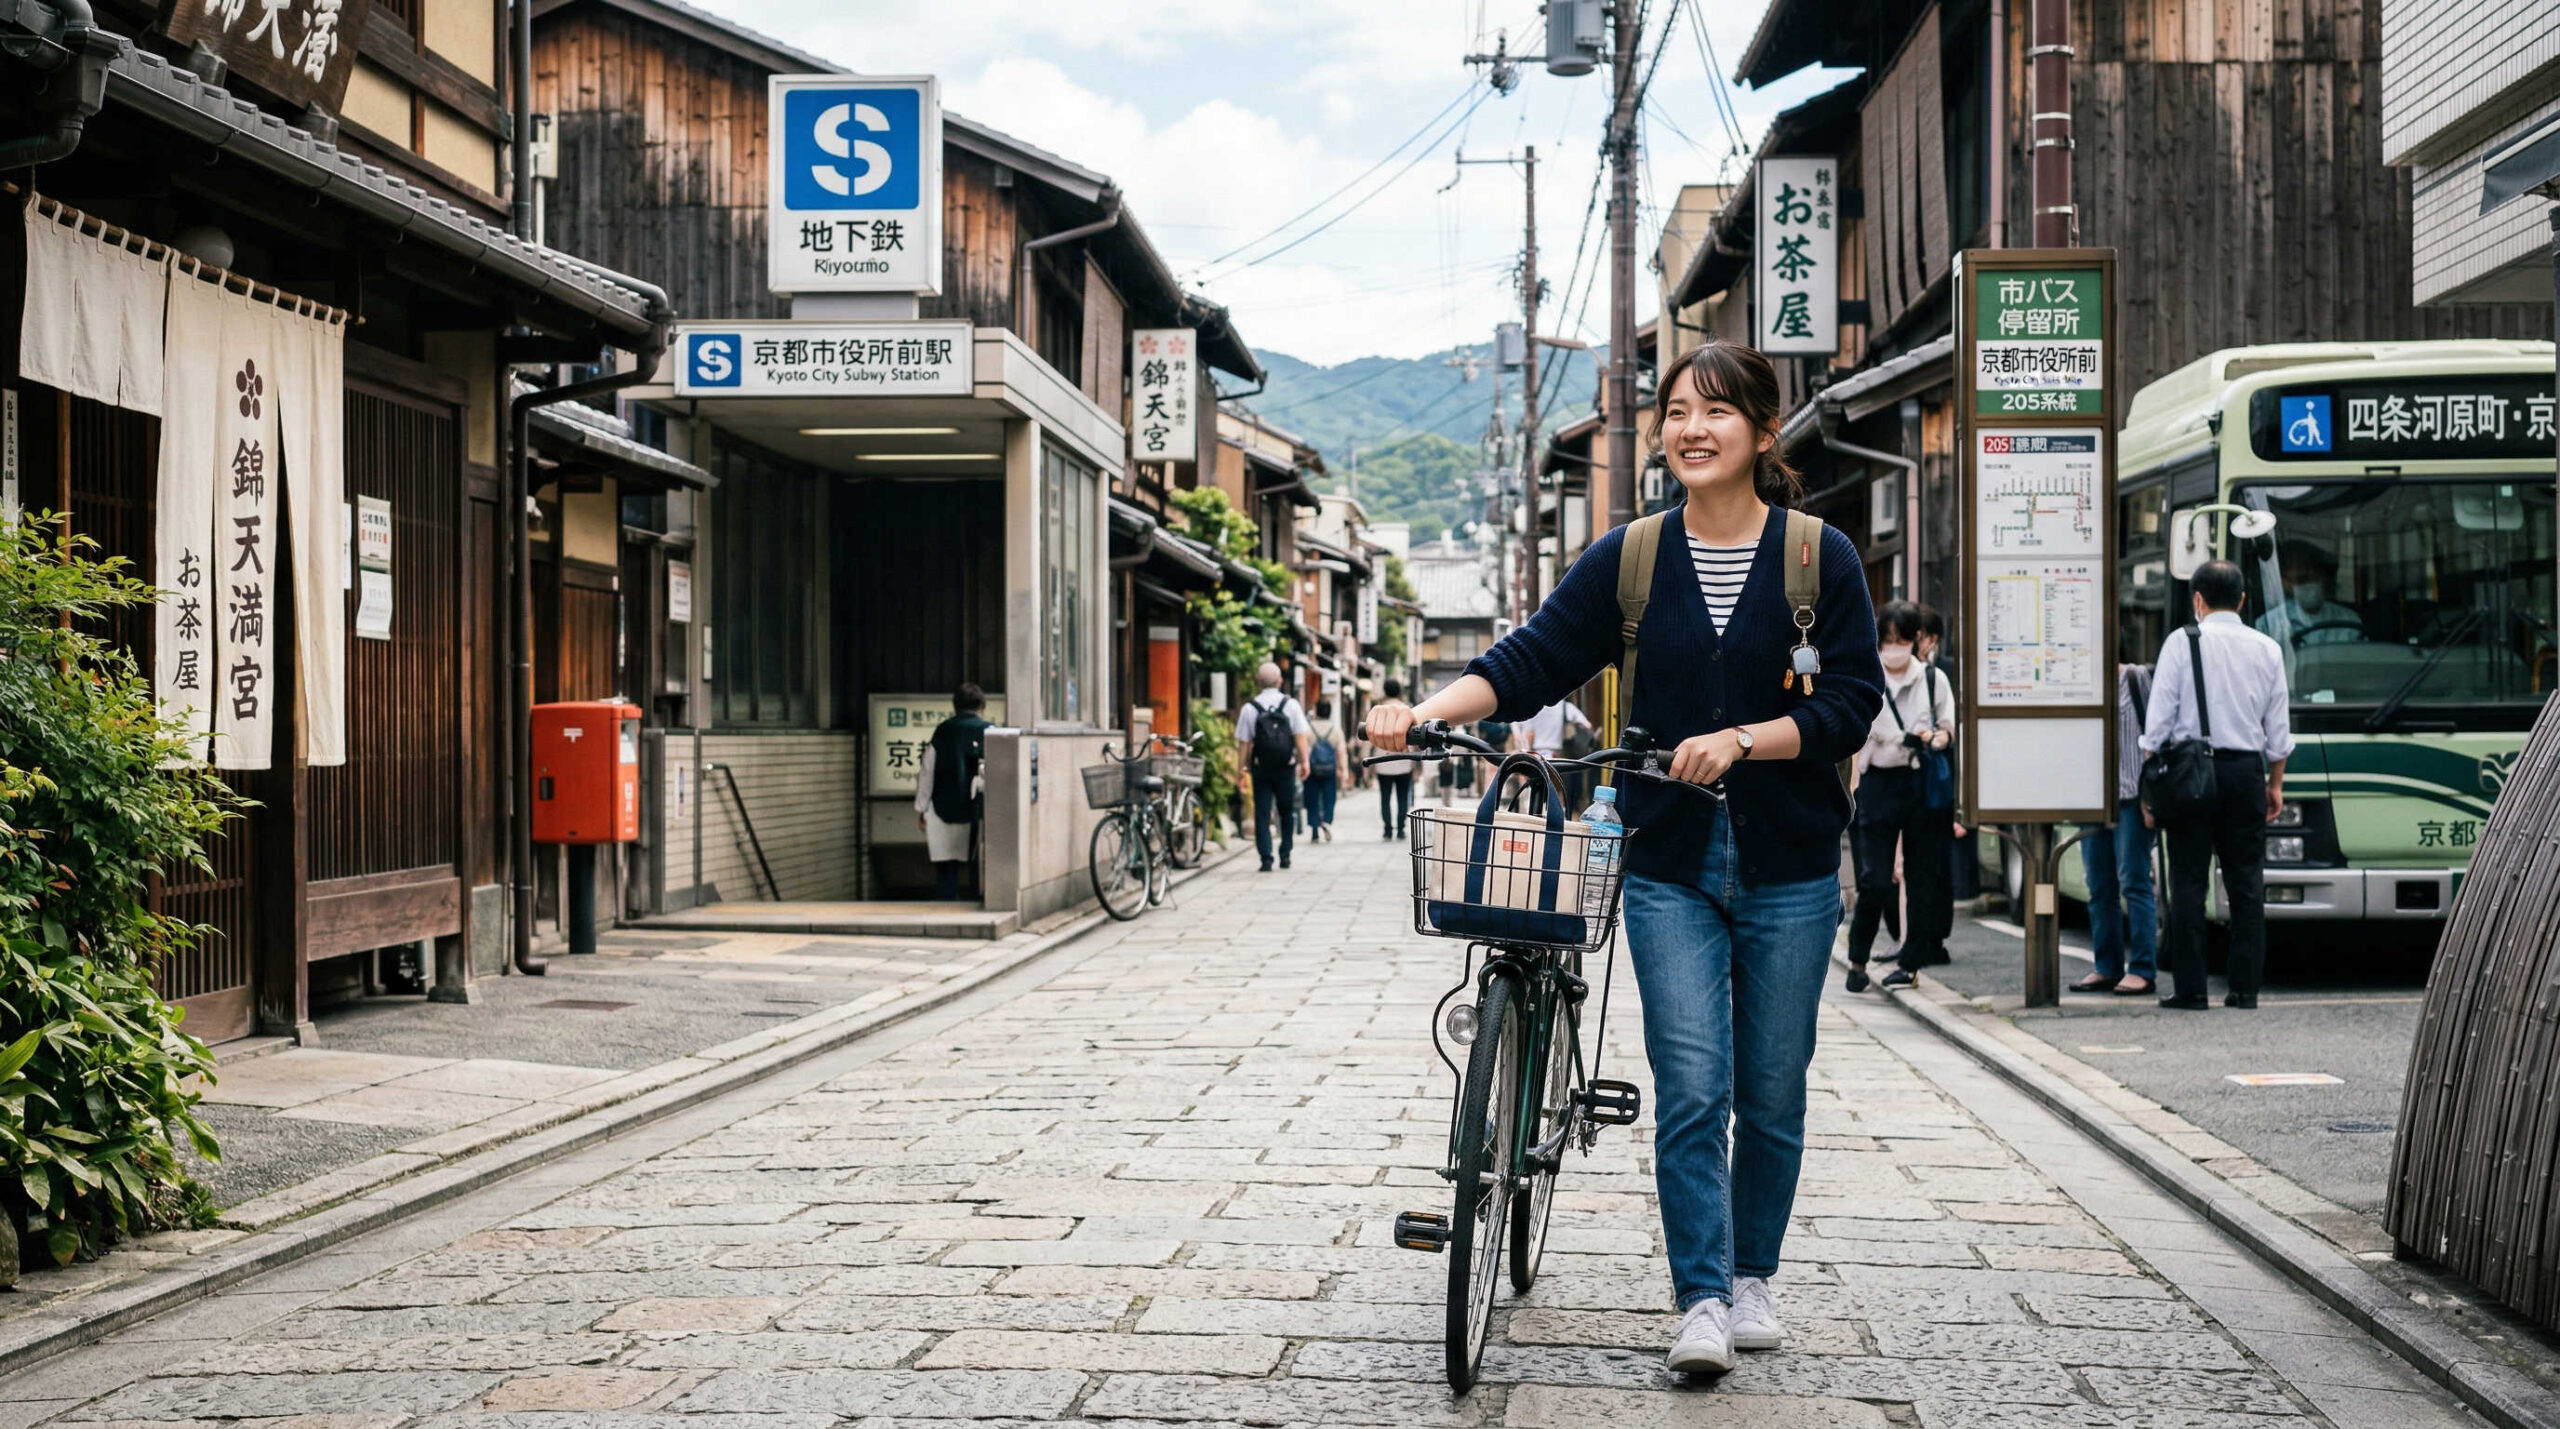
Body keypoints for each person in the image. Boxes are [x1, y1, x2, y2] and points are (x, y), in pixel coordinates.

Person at [1366, 338, 1883, 1375]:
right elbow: (1530, 661)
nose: (1692, 427)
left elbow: (1850, 703)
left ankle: (1750, 1276)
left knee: (1770, 1089)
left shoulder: (1813, 556)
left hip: (1788, 864)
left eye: (1717, 411)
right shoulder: (1633, 557)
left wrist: (1743, 739)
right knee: (1690, 1083)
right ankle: (1698, 1296)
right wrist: (1420, 711)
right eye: (1677, 410)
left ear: (1761, 432)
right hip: (1666, 861)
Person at [2142, 559, 2292, 1010]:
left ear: (2198, 600)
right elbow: (2278, 731)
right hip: (2246, 771)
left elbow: (2157, 726)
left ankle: (2191, 989)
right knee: (2247, 883)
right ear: (2243, 600)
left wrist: (2152, 791)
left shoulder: (2180, 642)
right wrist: (2274, 786)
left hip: (2190, 773)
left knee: (2188, 882)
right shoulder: (2267, 648)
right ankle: (2244, 989)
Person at [1844, 601, 1956, 992]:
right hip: (1877, 784)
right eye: (1887, 640)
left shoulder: (1932, 679)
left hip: (1920, 781)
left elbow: (1947, 727)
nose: (1894, 647)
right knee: (1874, 878)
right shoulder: (1865, 675)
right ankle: (1857, 958)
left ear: (1915, 641)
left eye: (1901, 639)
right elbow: (1854, 732)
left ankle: (1911, 963)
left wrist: (1934, 739)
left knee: (1922, 876)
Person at [2073, 659, 2160, 996]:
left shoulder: (2136, 679)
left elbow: (2158, 734)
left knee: (2134, 881)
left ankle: (2142, 968)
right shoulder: (2075, 681)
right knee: (2098, 886)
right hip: (2090, 797)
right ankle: (2107, 966)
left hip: (2132, 796)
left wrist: (2151, 798)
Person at [914, 683, 991, 901]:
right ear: (982, 705)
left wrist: (922, 809)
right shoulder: (990, 731)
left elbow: (926, 773)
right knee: (979, 867)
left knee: (947, 871)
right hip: (978, 812)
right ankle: (977, 905)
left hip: (941, 810)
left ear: (954, 706)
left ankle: (944, 909)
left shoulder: (942, 731)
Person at [1234, 663, 1311, 872]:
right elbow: (1300, 736)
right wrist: (1305, 761)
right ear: (1280, 682)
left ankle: (1266, 858)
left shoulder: (1250, 708)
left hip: (1261, 768)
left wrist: (1241, 770)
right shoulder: (1291, 705)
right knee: (1287, 810)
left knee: (1262, 812)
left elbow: (1244, 744)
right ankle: (1285, 854)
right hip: (1286, 767)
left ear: (1258, 682)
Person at [2256, 540, 2362, 648]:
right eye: (2302, 579)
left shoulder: (2350, 621)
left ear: (2325, 578)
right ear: (2286, 583)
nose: (2310, 584)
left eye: (2315, 577)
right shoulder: (2268, 624)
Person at [1371, 679, 1417, 838]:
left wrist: (1367, 763)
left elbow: (1368, 737)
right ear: (1399, 691)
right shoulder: (1407, 709)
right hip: (1403, 760)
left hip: (1382, 761)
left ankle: (1387, 829)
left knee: (1385, 797)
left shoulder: (1377, 710)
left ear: (1384, 690)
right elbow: (1415, 739)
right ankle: (1401, 828)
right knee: (1403, 796)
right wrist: (1417, 763)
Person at [1304, 699, 1344, 843]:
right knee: (1329, 798)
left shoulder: (1308, 729)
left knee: (1312, 799)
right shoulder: (1335, 729)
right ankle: (1326, 821)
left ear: (1316, 711)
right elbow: (1341, 752)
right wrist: (1343, 770)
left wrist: (1302, 766)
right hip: (1329, 769)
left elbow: (1304, 751)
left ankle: (1314, 829)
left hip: (1312, 770)